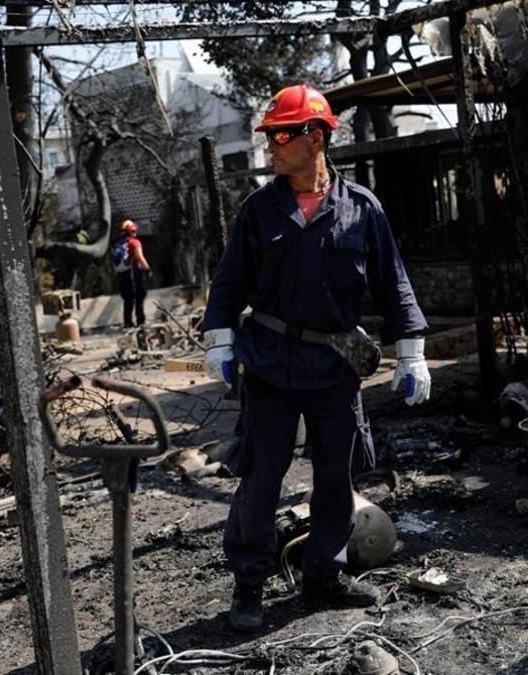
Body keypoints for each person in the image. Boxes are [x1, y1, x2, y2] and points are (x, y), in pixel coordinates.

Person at [199, 84, 432, 632]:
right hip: (272, 363)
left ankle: (324, 575)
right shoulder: (258, 210)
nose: (272, 146)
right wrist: (219, 339)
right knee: (261, 476)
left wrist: (413, 353)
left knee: (335, 474)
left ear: (317, 136)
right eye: (270, 135)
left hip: (334, 365)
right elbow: (230, 281)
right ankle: (249, 585)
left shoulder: (362, 209)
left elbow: (393, 283)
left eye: (283, 134)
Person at [111, 219, 150, 327]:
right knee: (139, 297)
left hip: (122, 275)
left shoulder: (117, 243)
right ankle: (140, 321)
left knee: (128, 299)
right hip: (134, 273)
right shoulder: (134, 242)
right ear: (133, 231)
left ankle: (128, 322)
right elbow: (139, 257)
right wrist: (147, 269)